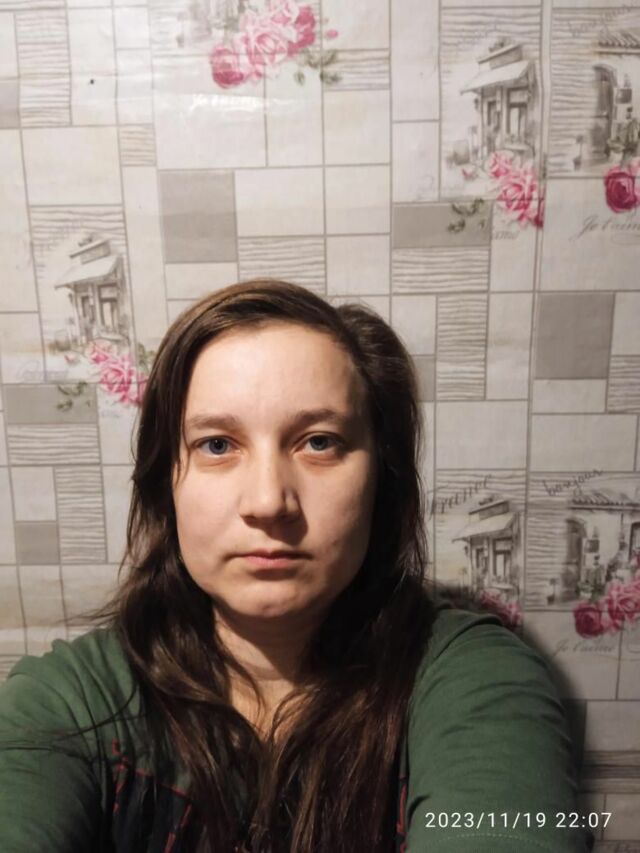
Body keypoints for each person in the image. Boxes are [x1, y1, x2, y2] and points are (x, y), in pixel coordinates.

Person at [0, 279, 594, 852]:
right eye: (216, 445)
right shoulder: (68, 703)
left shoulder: (472, 680)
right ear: (166, 485)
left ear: (382, 481)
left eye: (319, 442)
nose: (268, 503)